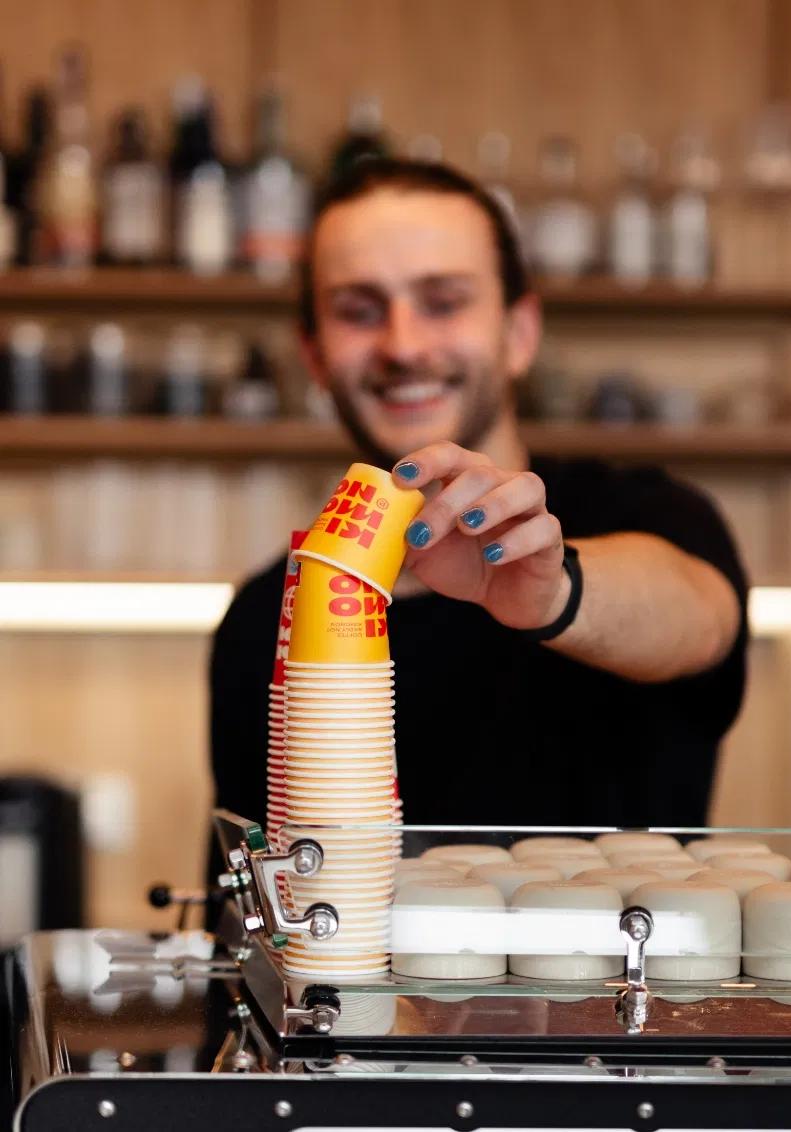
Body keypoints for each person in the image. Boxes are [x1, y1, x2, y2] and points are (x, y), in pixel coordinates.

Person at [210, 158, 748, 840]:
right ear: (314, 356)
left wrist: (552, 593)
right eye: (358, 311)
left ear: (518, 333)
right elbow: (249, 901)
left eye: (443, 301)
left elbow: (694, 614)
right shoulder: (264, 617)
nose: (402, 346)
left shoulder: (649, 512)